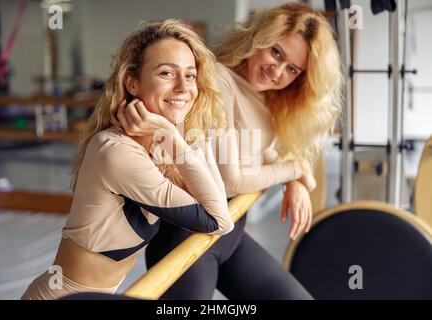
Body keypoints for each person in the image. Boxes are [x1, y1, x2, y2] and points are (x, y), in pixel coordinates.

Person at [118, 3, 342, 299]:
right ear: (258, 39)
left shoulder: (259, 95)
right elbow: (231, 180)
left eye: (292, 69)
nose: (277, 71)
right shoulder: (219, 80)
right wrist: (296, 170)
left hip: (230, 236)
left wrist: (294, 180)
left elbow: (256, 152)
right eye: (276, 52)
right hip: (189, 239)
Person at [21, 19, 234, 300]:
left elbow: (221, 198)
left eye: (191, 76)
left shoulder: (160, 147)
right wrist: (172, 133)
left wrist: (177, 132)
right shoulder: (115, 151)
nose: (184, 87)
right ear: (132, 82)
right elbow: (219, 221)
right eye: (167, 73)